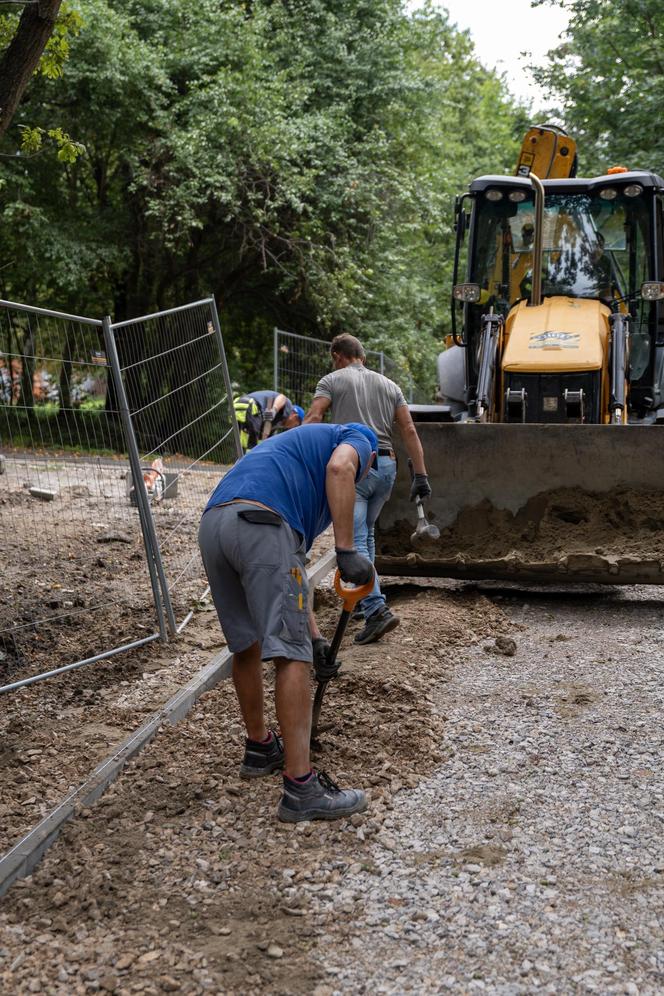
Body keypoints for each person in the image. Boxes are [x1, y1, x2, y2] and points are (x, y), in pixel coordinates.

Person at [198, 421, 377, 823]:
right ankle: (301, 787)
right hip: (261, 525)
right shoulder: (358, 438)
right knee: (290, 655)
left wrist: (315, 638)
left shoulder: (291, 456)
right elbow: (340, 469)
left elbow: (290, 578)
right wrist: (346, 550)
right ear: (373, 461)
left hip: (215, 524)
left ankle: (260, 746)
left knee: (248, 643)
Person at [304, 333, 431, 645]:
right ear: (361, 355)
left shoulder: (332, 380)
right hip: (387, 465)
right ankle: (364, 598)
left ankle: (376, 611)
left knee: (356, 539)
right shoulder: (390, 385)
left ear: (337, 355)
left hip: (355, 466)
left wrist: (300, 456)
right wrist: (422, 475)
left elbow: (314, 416)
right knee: (367, 534)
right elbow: (409, 429)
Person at [233, 389, 304, 453]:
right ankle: (250, 463)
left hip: (237, 406)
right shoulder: (289, 408)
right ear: (295, 416)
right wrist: (274, 410)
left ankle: (240, 461)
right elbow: (282, 397)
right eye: (295, 425)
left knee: (242, 441)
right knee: (252, 444)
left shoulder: (276, 423)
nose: (291, 428)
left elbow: (266, 438)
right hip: (250, 406)